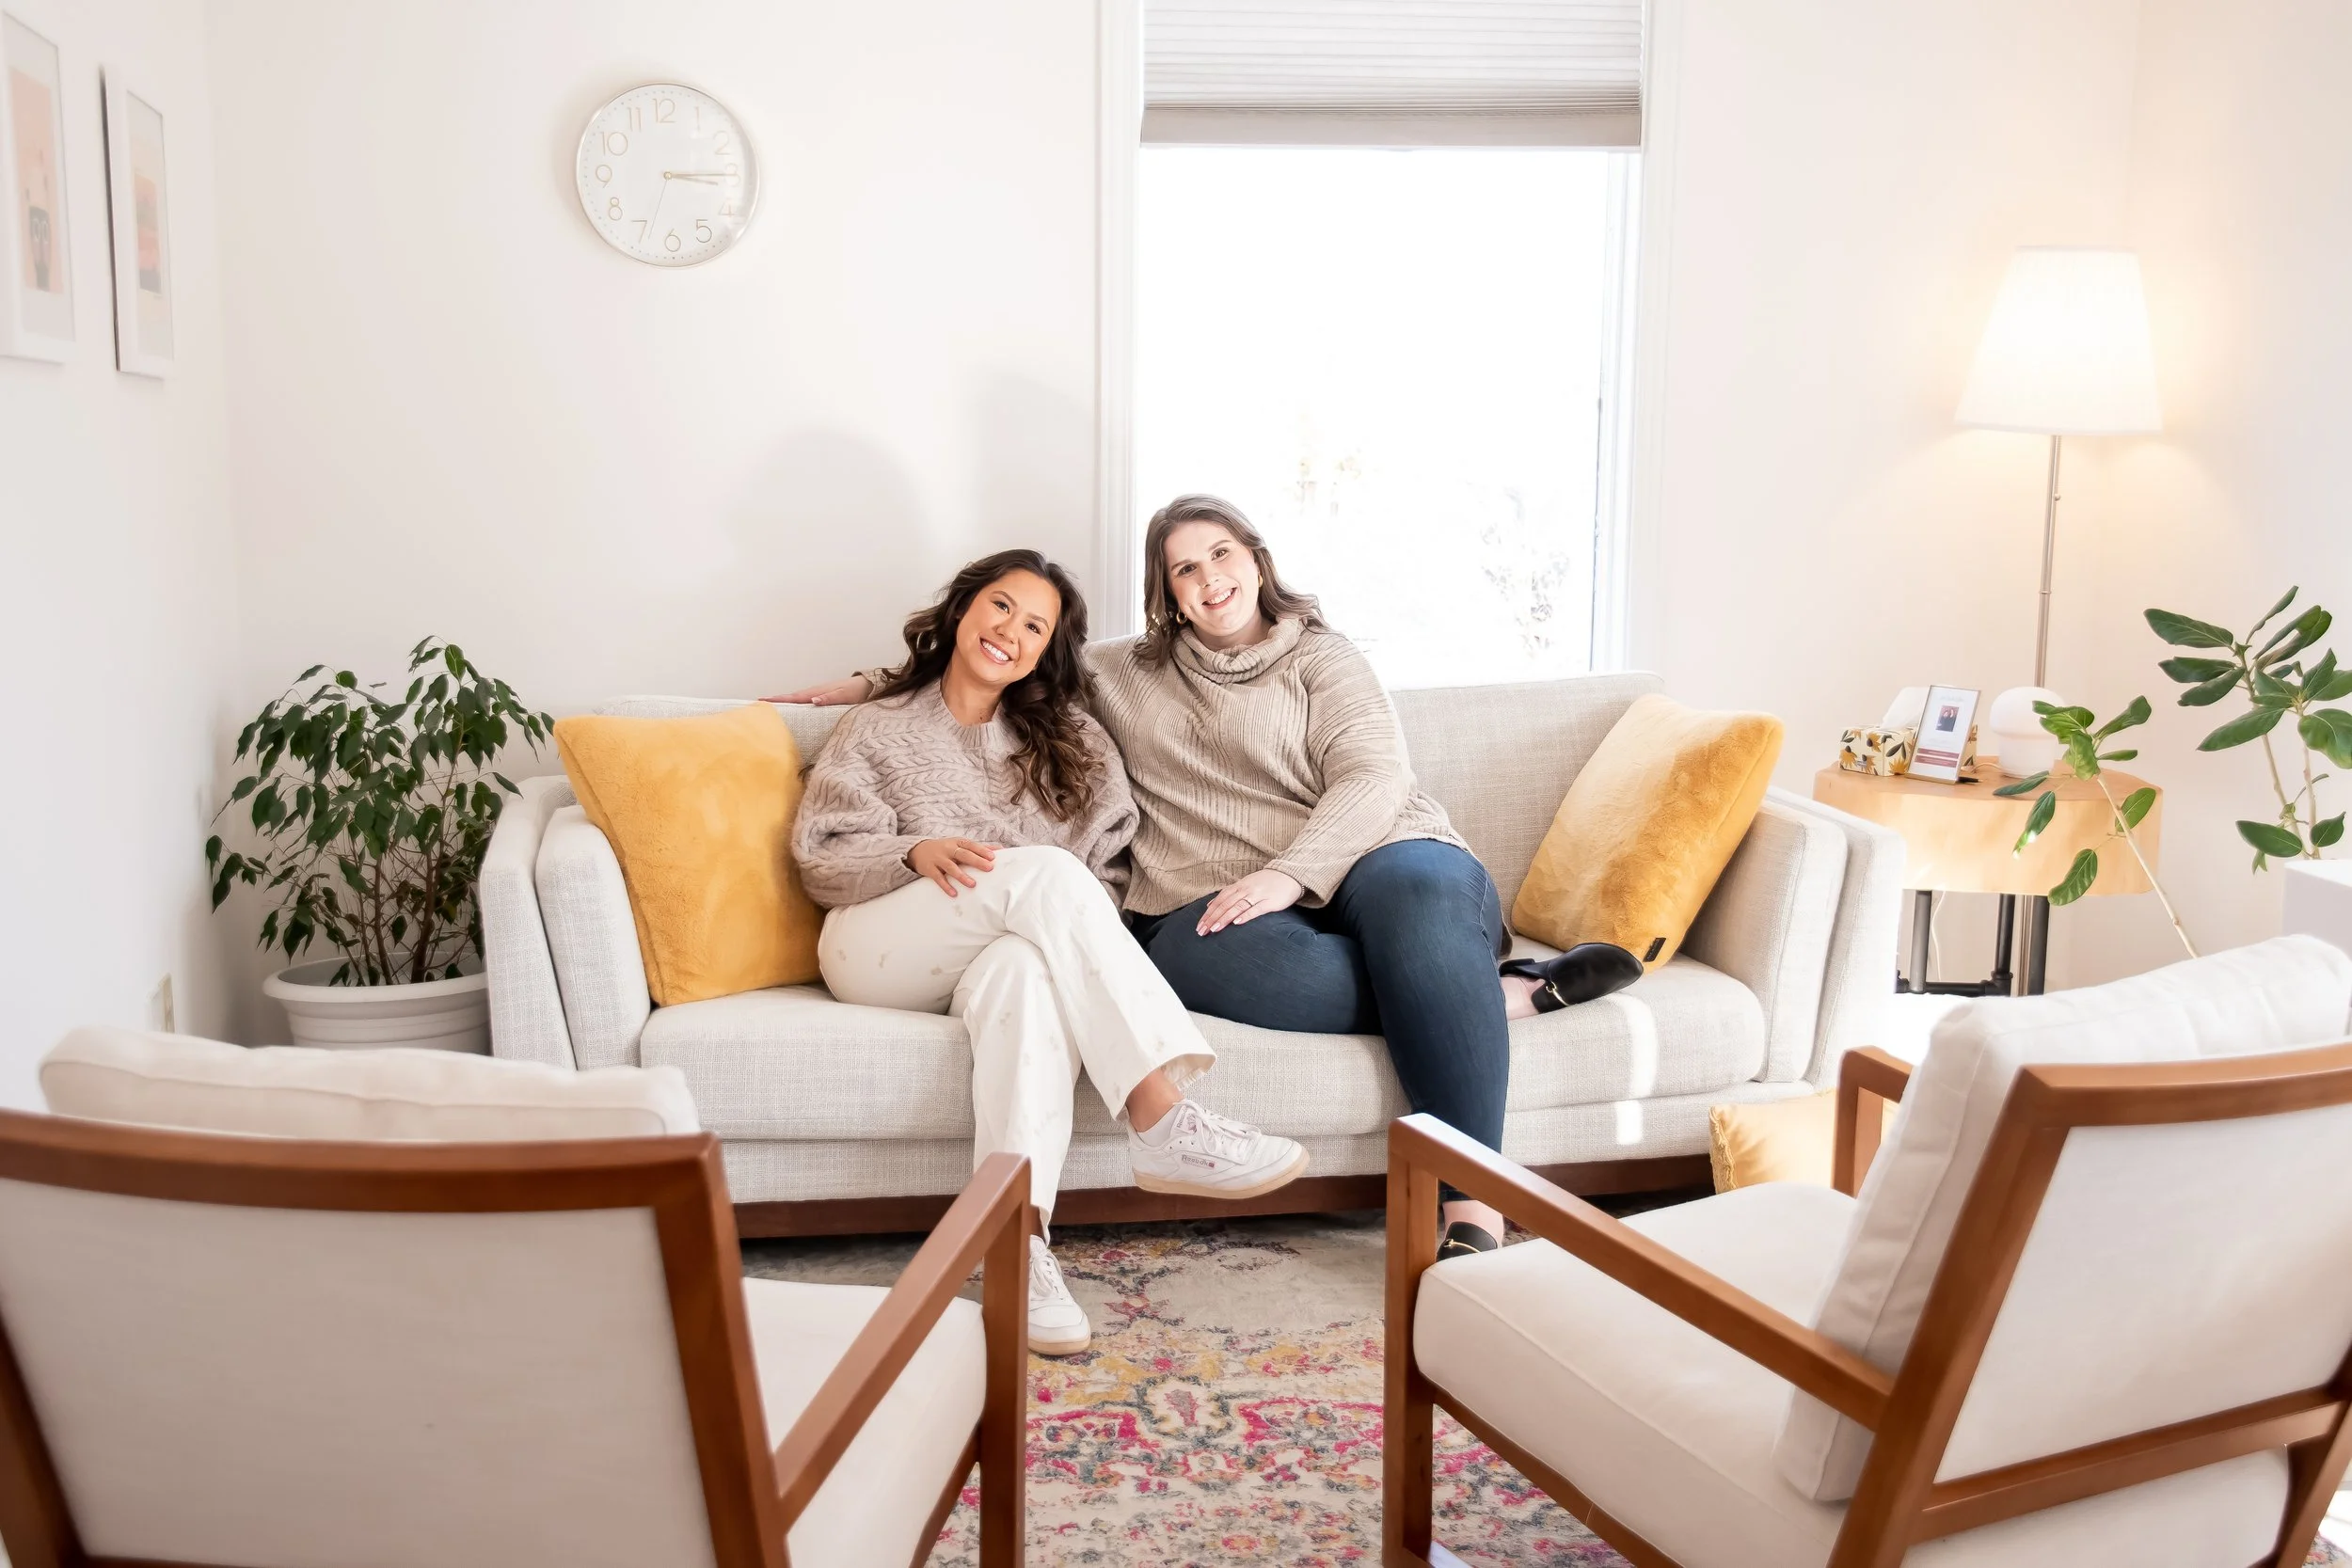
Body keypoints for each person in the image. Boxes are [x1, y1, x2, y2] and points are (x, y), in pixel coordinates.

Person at [780, 547, 1308, 1356]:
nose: (1011, 632)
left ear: (1047, 650)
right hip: (876, 939)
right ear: (962, 611)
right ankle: (1161, 1113)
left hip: (997, 947)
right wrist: (909, 852)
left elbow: (1105, 875)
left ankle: (1016, 1242)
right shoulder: (877, 725)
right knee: (1046, 878)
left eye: (1035, 626)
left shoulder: (1074, 743)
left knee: (1027, 975)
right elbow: (819, 852)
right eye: (1000, 607)